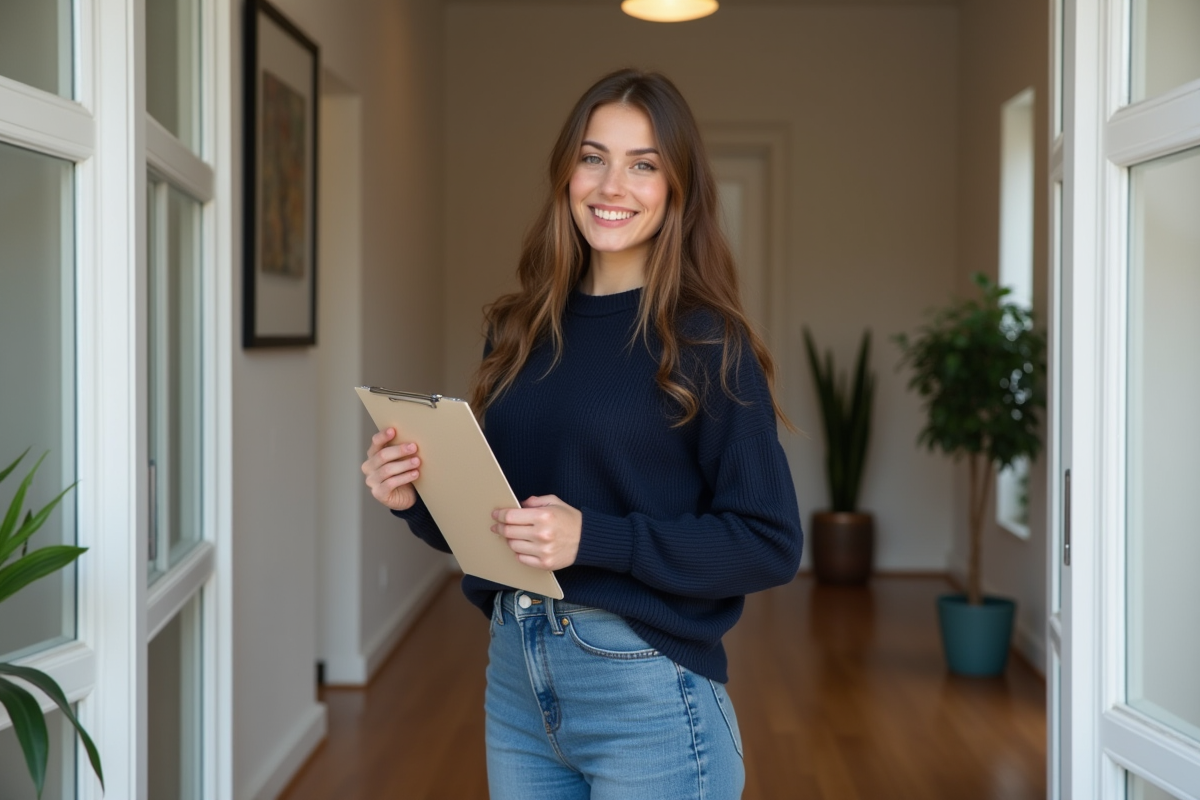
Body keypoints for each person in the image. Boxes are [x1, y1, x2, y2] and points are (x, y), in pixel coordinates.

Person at [361, 68, 803, 800]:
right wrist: (414, 499)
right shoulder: (516, 329)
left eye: (644, 165)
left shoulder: (705, 342)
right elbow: (503, 529)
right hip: (516, 678)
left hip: (648, 693)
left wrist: (594, 538)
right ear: (566, 171)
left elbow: (769, 541)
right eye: (593, 157)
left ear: (677, 190)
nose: (611, 185)